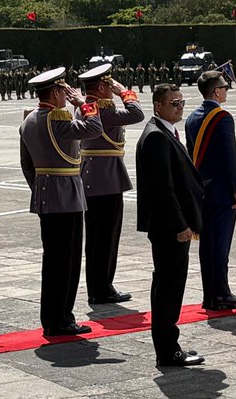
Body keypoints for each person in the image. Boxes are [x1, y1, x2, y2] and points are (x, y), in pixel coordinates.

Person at [20, 67, 104, 337]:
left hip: (46, 193)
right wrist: (84, 103)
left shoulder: (29, 119)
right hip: (65, 195)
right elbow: (94, 129)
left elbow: (26, 163)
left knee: (53, 260)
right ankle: (61, 319)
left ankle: (53, 317)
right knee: (65, 261)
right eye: (64, 91)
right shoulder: (57, 119)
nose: (68, 97)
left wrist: (39, 187)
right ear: (56, 92)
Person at [135, 84, 206, 368]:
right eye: (174, 103)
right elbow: (164, 189)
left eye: (181, 102)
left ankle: (168, 346)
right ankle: (168, 350)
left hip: (169, 225)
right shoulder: (156, 137)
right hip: (168, 228)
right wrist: (180, 225)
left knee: (167, 285)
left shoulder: (164, 132)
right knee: (168, 287)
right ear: (157, 106)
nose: (180, 107)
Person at [79, 63, 145, 306]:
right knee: (106, 238)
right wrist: (125, 92)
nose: (111, 87)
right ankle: (102, 289)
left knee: (97, 239)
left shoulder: (84, 109)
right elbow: (137, 114)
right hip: (106, 179)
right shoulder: (103, 110)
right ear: (101, 87)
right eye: (108, 84)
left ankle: (99, 287)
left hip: (91, 176)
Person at [186, 70, 236, 311]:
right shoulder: (222, 117)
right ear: (216, 91)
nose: (226, 90)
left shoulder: (192, 117)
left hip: (201, 191)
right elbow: (229, 157)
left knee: (207, 245)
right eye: (225, 86)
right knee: (220, 245)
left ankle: (209, 294)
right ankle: (221, 293)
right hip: (221, 191)